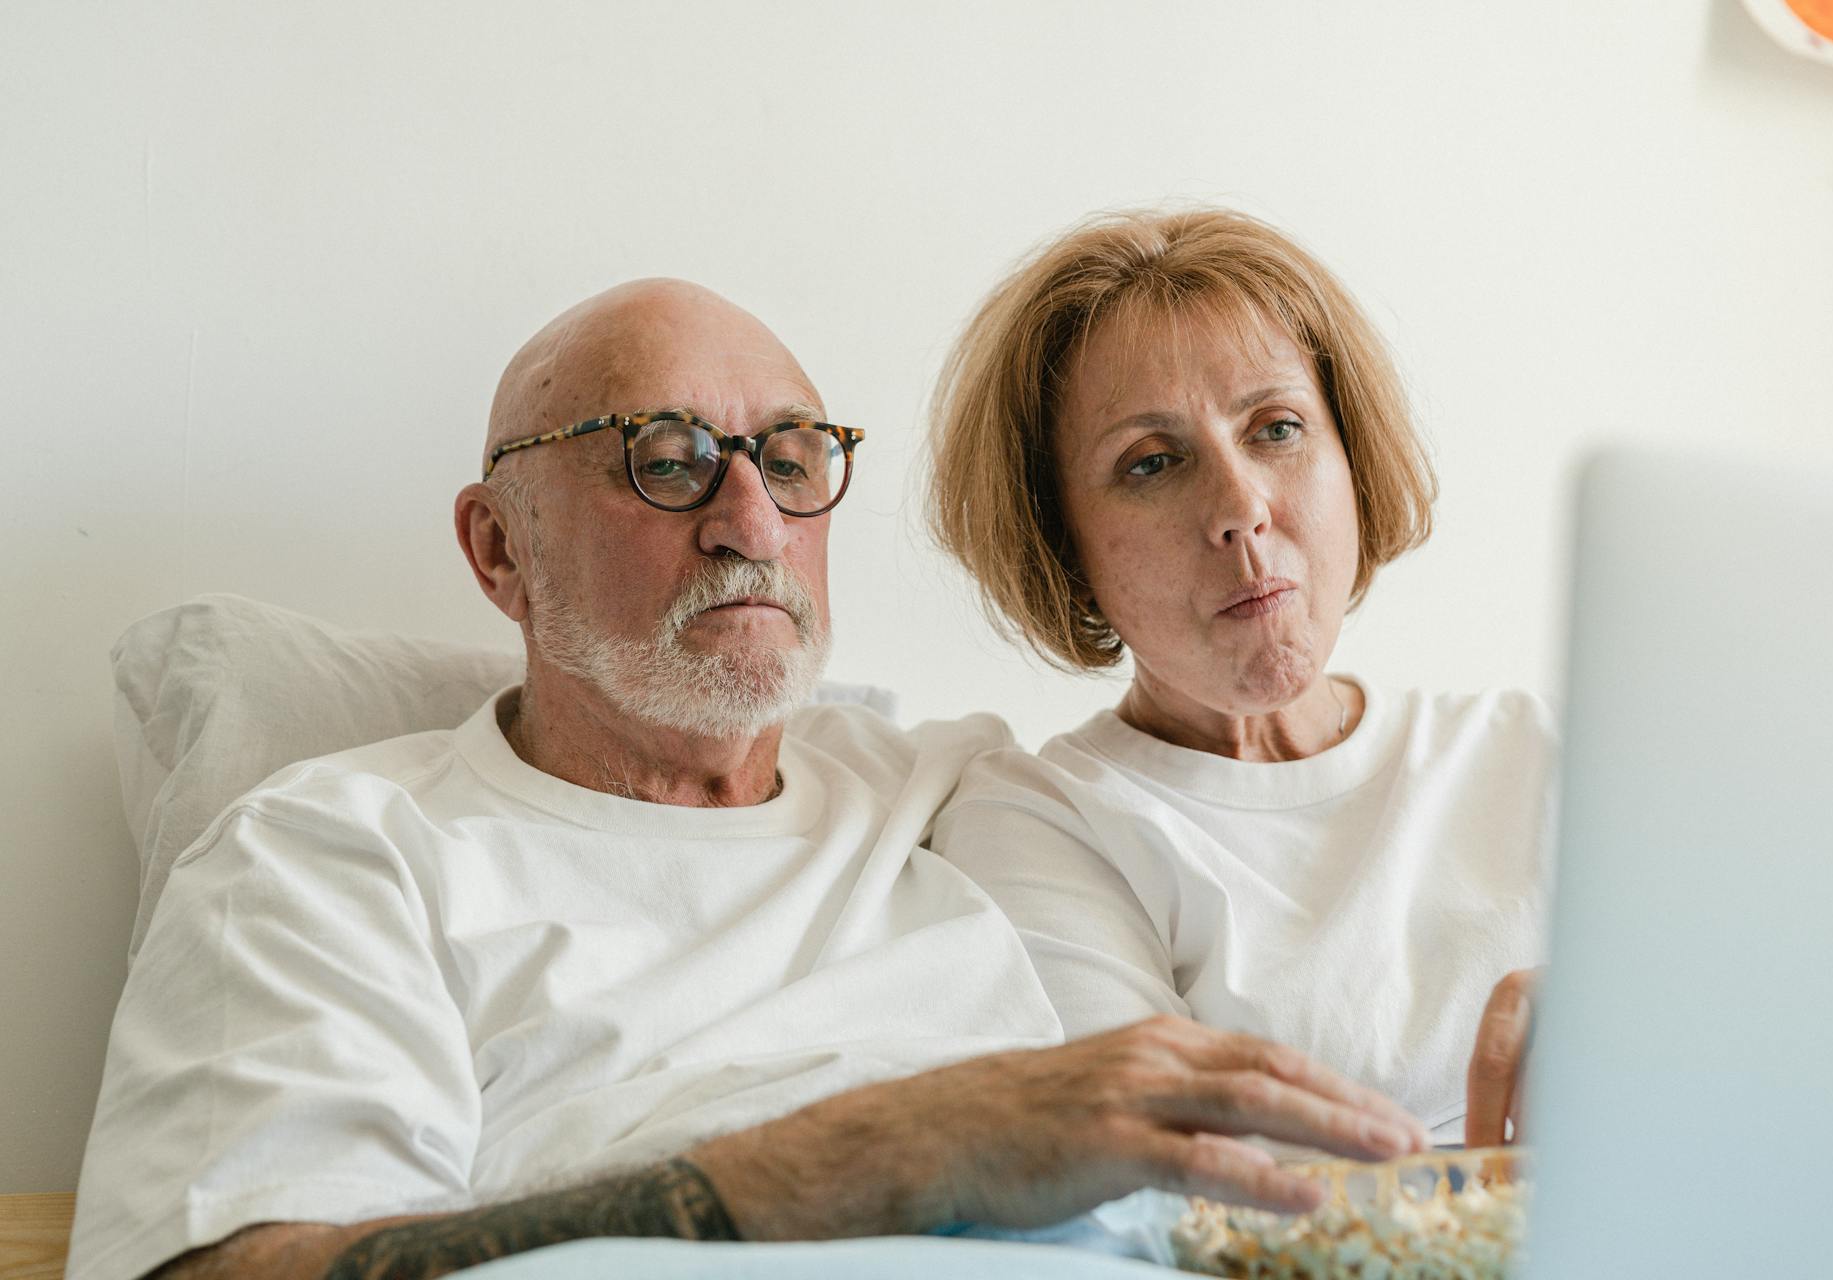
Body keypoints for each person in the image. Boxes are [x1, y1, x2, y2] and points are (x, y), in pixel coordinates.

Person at [66, 278, 1430, 1280]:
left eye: (791, 458)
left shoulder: (967, 799)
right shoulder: (330, 855)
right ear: (500, 554)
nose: (752, 523)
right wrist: (847, 1162)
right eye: (664, 463)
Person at [926, 207, 1554, 1150]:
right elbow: (1169, 1194)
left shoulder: (1536, 752)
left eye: (1278, 428)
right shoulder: (1043, 821)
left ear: (1353, 459)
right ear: (1064, 545)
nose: (1240, 507)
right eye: (1151, 463)